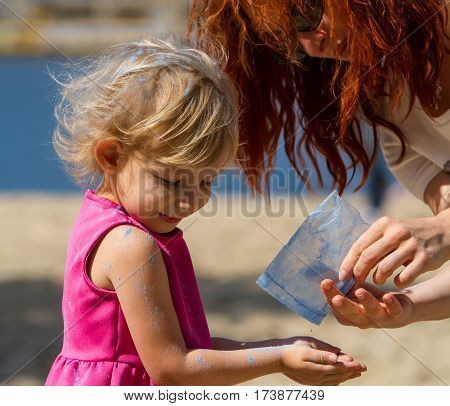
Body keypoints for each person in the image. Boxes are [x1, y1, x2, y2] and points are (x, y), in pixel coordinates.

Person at [45, 37, 365, 385]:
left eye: (206, 182)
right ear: (111, 156)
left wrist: (285, 347)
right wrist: (279, 358)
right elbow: (172, 369)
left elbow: (184, 347)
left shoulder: (102, 215)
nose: (189, 202)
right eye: (171, 181)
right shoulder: (130, 245)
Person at [188, 0, 450, 328]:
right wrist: (409, 306)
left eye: (307, 12)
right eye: (286, 38)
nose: (313, 42)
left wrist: (444, 229)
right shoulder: (392, 112)